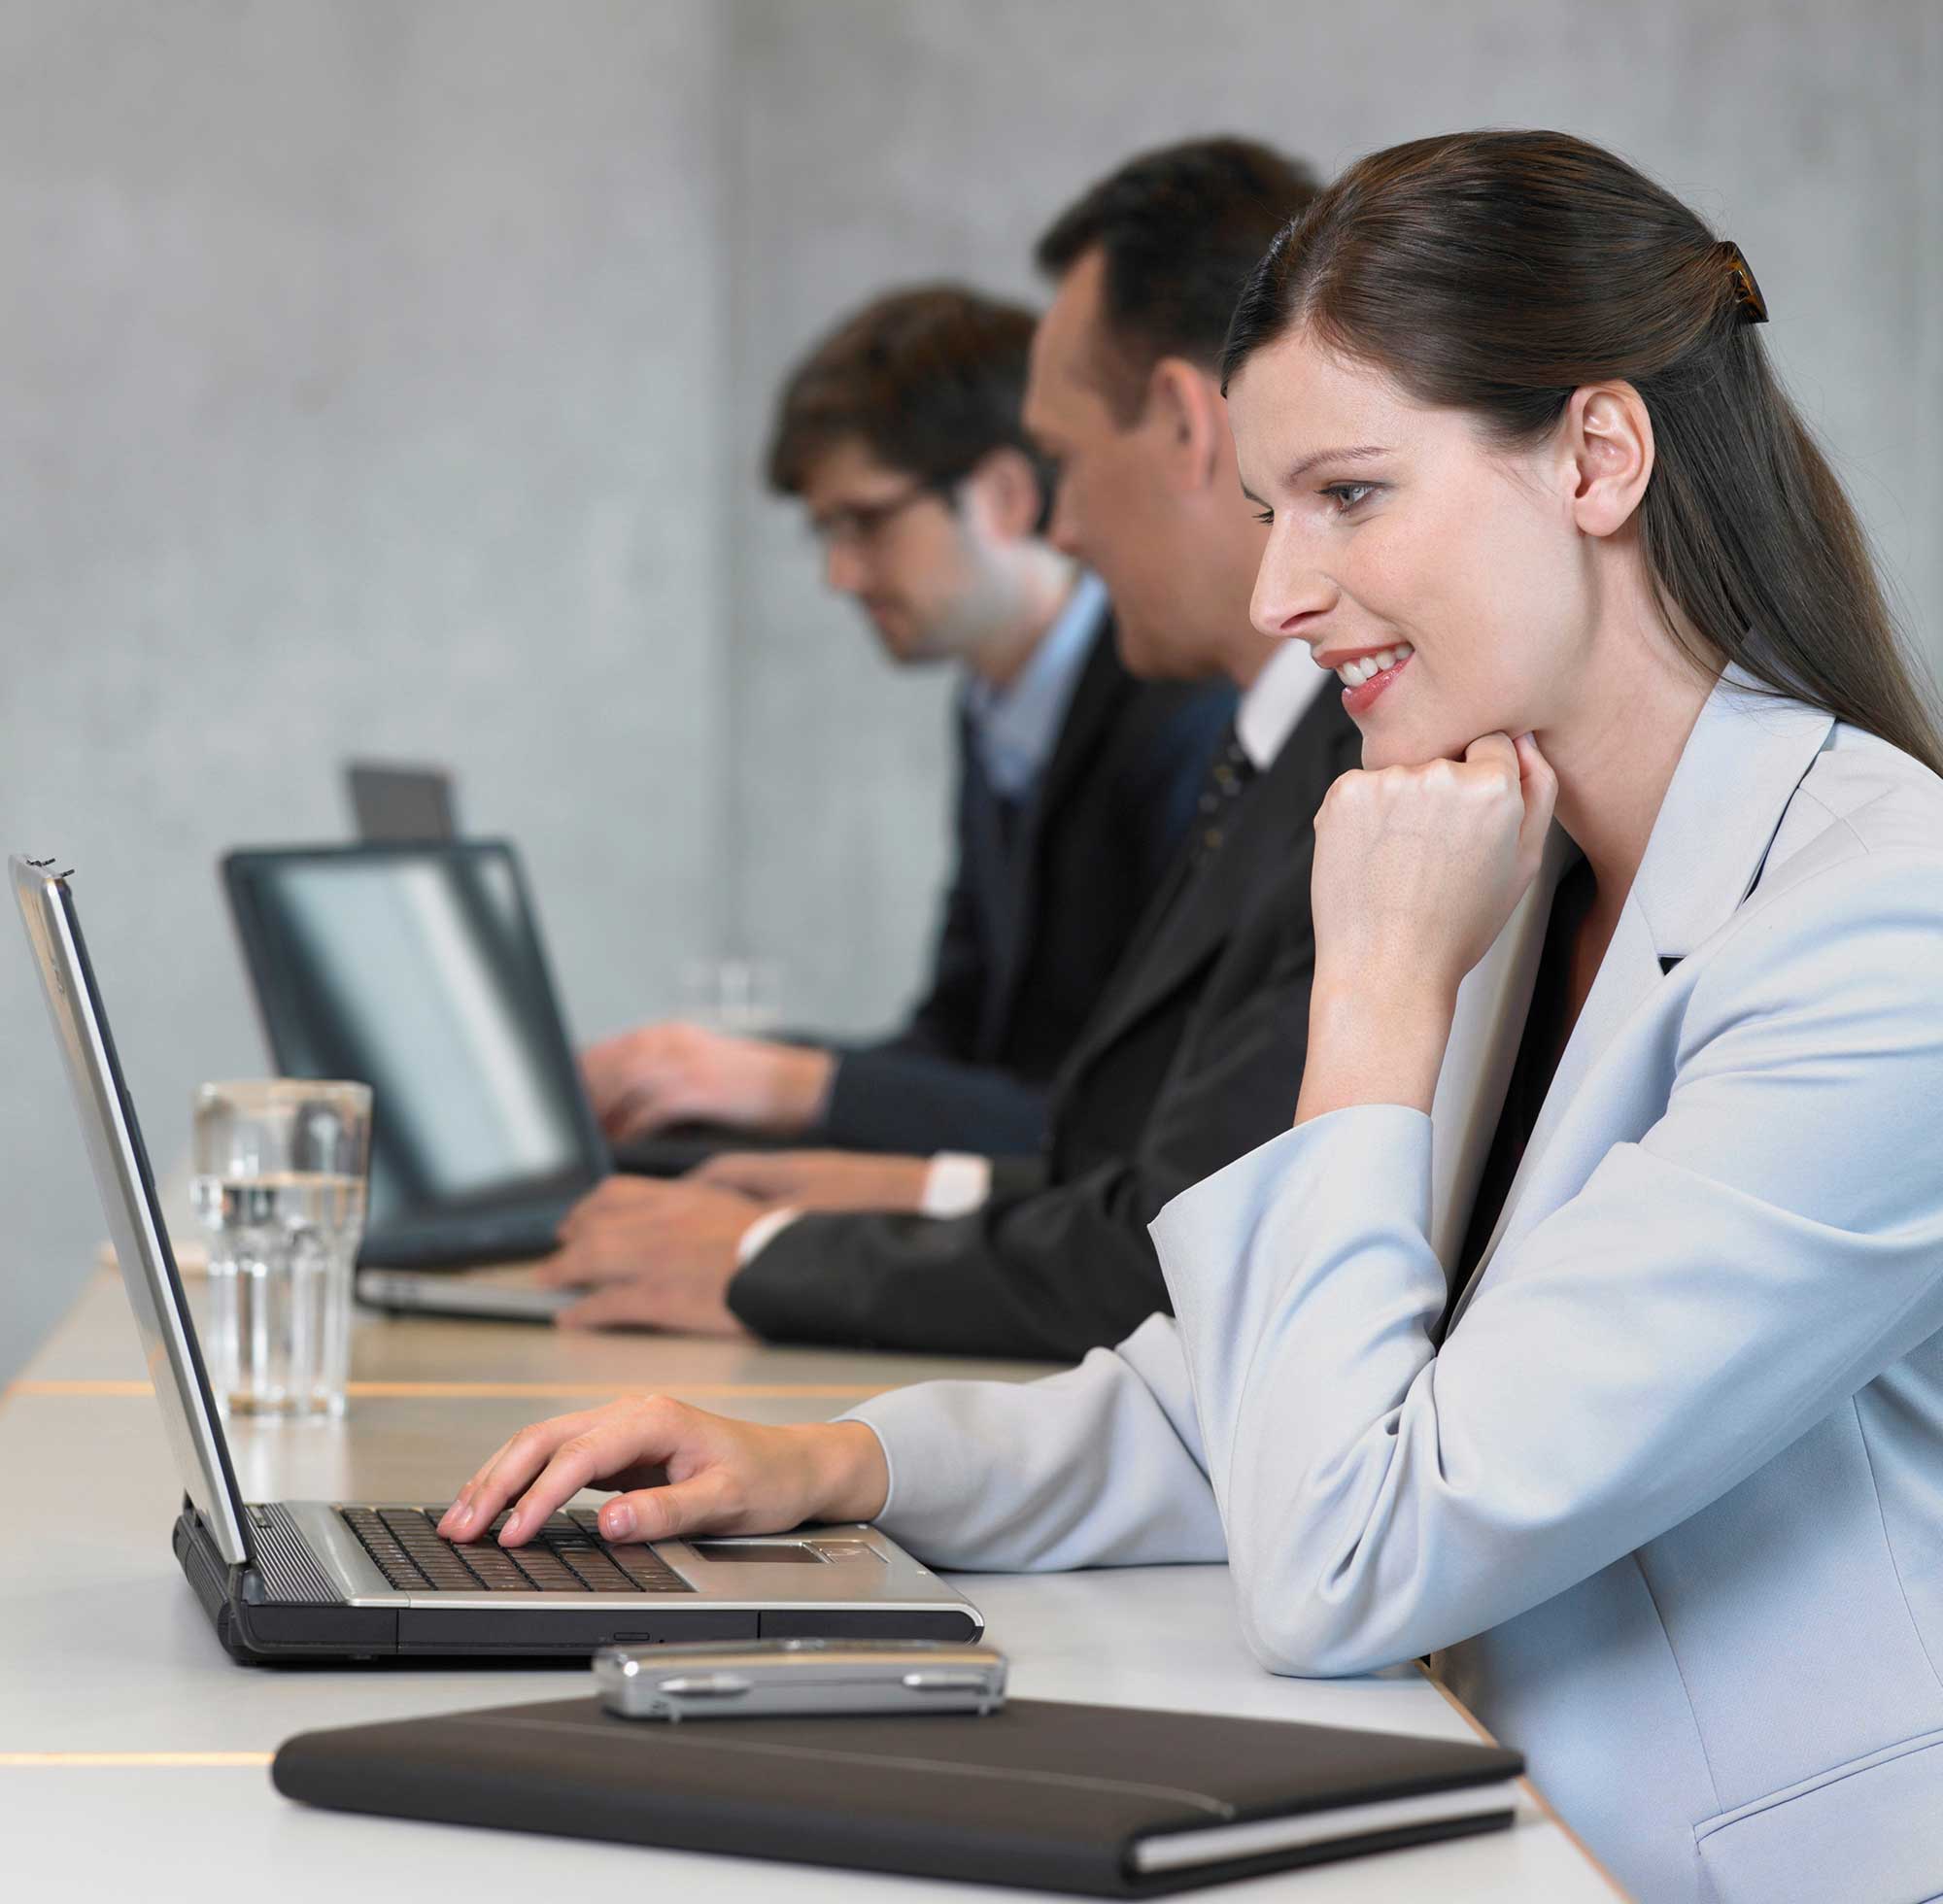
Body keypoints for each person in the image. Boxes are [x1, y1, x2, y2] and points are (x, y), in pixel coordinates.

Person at [444, 131, 1943, 1902]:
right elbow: (1248, 1398)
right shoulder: (1524, 854)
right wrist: (826, 1462)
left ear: (1599, 456)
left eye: (1351, 495)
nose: (1277, 597)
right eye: (1264, 512)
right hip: (1482, 1810)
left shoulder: (1879, 934)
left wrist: (1378, 1002)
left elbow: (1358, 1551)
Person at [532, 139, 1359, 1356]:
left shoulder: (1298, 757)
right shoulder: (1227, 737)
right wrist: (861, 1188)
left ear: (1185, 426)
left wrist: (777, 1242)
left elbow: (1165, 1234)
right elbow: (1106, 1153)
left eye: (1065, 462)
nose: (1067, 523)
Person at [585, 286, 1230, 1162]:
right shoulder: (995, 711)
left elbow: (1132, 1129)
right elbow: (958, 1041)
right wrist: (713, 1079)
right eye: (825, 534)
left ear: (1005, 494)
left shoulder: (1184, 716)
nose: (840, 575)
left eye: (865, 523)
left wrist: (785, 1085)